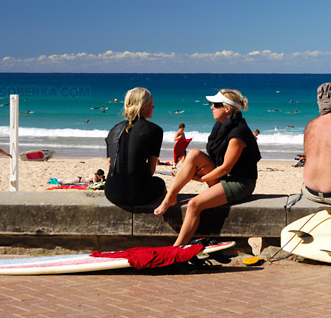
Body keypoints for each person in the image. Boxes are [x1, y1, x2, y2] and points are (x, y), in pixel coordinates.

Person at [154, 89, 260, 247]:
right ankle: (171, 196)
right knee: (194, 153)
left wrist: (201, 179)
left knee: (194, 204)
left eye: (216, 105)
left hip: (239, 182)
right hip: (225, 176)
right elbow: (217, 161)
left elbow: (225, 168)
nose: (211, 107)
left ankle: (177, 248)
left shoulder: (238, 134)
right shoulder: (222, 126)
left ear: (227, 109)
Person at [104, 88, 167, 207]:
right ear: (143, 107)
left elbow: (110, 165)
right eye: (151, 105)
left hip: (112, 192)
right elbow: (151, 170)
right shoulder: (155, 130)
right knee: (160, 183)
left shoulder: (114, 130)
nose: (153, 108)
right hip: (137, 195)